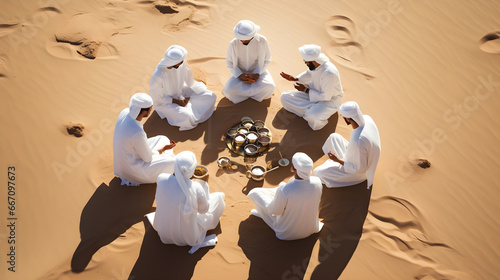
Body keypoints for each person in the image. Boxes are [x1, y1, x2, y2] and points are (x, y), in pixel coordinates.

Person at [152, 151, 225, 253]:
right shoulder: (196, 188)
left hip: (163, 230)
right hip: (187, 236)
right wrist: (204, 187)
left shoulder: (161, 178)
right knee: (218, 198)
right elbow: (204, 210)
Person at [247, 152, 323, 240]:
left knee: (256, 192)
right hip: (310, 228)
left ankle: (263, 213)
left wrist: (270, 204)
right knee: (278, 192)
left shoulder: (286, 189)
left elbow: (275, 211)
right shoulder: (317, 181)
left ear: (293, 167)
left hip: (288, 232)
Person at [113, 93, 176, 186]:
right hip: (132, 169)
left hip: (126, 158)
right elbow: (147, 159)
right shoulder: (136, 132)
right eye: (150, 108)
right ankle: (164, 157)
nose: (151, 110)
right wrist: (162, 150)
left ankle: (164, 157)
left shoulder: (125, 112)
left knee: (163, 139)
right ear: (143, 112)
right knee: (174, 162)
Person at [314, 101, 381, 189]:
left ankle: (334, 165)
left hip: (359, 173)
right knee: (333, 137)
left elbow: (359, 169)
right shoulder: (367, 119)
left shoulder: (359, 141)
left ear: (348, 118)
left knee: (318, 172)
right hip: (355, 155)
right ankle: (334, 164)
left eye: (343, 116)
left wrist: (337, 160)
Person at [150, 45, 217, 131]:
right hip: (167, 102)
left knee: (211, 96)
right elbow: (157, 99)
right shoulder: (158, 76)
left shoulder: (181, 63)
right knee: (187, 118)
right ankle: (188, 109)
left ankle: (189, 105)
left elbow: (190, 81)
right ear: (172, 62)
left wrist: (189, 97)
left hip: (181, 91)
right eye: (180, 61)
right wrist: (177, 101)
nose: (183, 62)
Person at [280, 44, 344, 130]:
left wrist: (306, 90)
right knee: (284, 97)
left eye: (306, 61)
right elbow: (308, 74)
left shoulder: (329, 73)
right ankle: (312, 109)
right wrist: (295, 78)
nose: (305, 63)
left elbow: (326, 97)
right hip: (313, 93)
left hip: (330, 101)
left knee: (313, 116)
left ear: (313, 60)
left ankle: (315, 112)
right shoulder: (316, 65)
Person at [222, 20, 275, 104]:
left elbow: (267, 60)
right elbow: (229, 63)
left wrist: (257, 73)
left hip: (259, 72)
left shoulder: (262, 40)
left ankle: (249, 95)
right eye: (241, 39)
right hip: (240, 74)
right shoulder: (233, 43)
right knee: (229, 89)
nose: (243, 41)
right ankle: (251, 93)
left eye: (246, 39)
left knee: (269, 86)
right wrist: (239, 75)